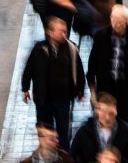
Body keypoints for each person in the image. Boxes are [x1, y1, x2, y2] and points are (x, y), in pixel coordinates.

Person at [22, 16, 86, 146]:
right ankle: (46, 153)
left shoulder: (71, 49)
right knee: (45, 129)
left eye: (65, 31)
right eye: (60, 31)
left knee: (63, 129)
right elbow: (29, 68)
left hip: (63, 98)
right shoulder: (39, 49)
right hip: (43, 98)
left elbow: (79, 70)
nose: (64, 34)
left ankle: (63, 156)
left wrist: (80, 89)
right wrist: (25, 87)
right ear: (50, 32)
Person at [86, 5, 128, 124]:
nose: (115, 24)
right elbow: (93, 59)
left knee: (123, 120)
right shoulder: (101, 36)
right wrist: (91, 81)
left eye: (119, 22)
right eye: (113, 20)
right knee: (103, 119)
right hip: (105, 87)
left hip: (125, 89)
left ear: (126, 21)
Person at [69, 92, 128, 163]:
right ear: (97, 111)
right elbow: (72, 156)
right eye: (103, 112)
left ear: (116, 111)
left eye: (111, 113)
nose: (107, 117)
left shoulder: (126, 131)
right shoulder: (84, 131)